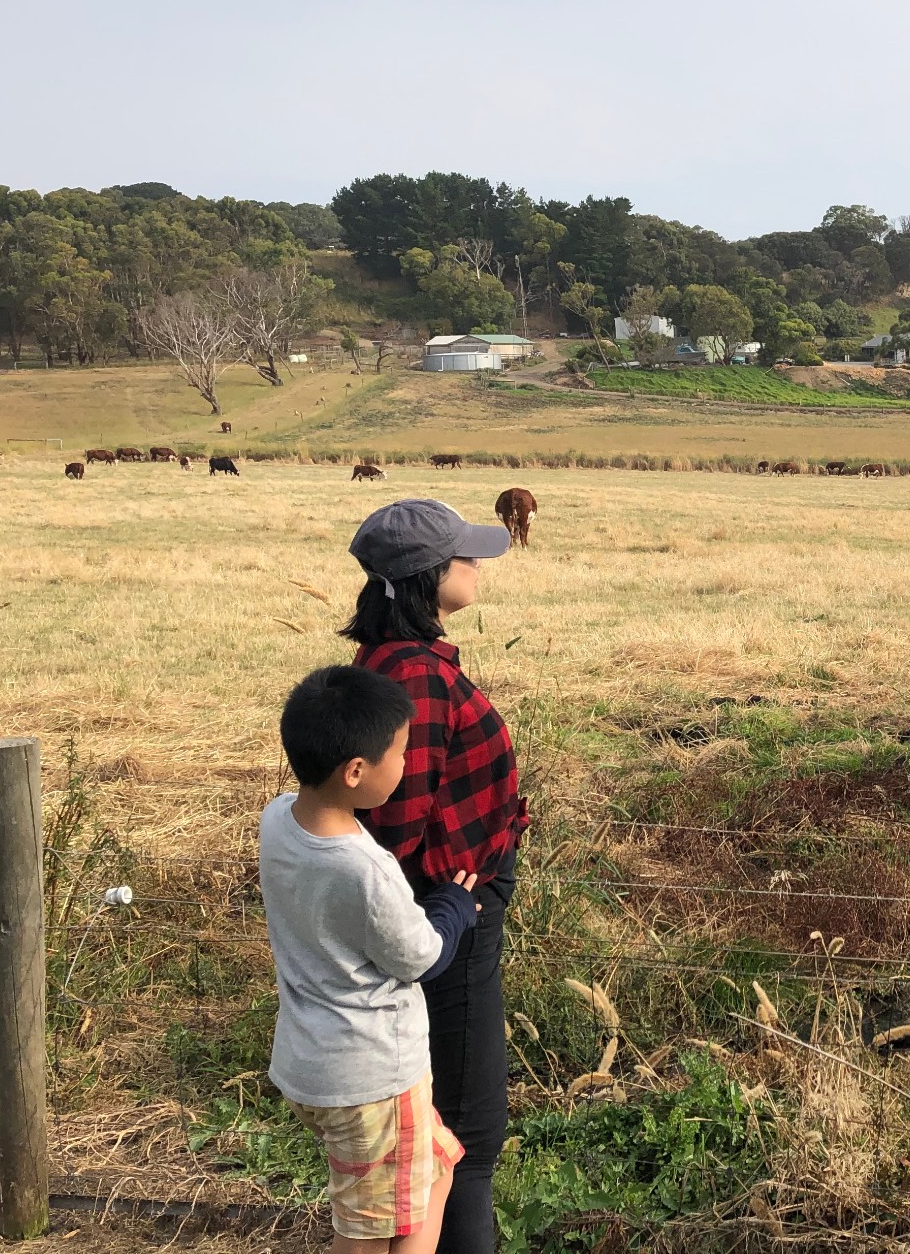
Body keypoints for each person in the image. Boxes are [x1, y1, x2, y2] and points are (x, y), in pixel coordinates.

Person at [341, 499, 526, 1254]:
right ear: (427, 578)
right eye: (464, 556)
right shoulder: (415, 677)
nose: (478, 565)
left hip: (447, 909)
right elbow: (395, 826)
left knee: (450, 1126)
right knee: (470, 1133)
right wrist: (453, 905)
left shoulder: (393, 661)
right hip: (452, 914)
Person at [261, 665, 481, 1254]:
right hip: (373, 1079)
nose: (408, 764)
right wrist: (455, 906)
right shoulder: (366, 869)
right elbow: (421, 957)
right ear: (356, 772)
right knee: (365, 1231)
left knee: (437, 1166)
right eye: (401, 753)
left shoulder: (278, 820)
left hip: (314, 1061)